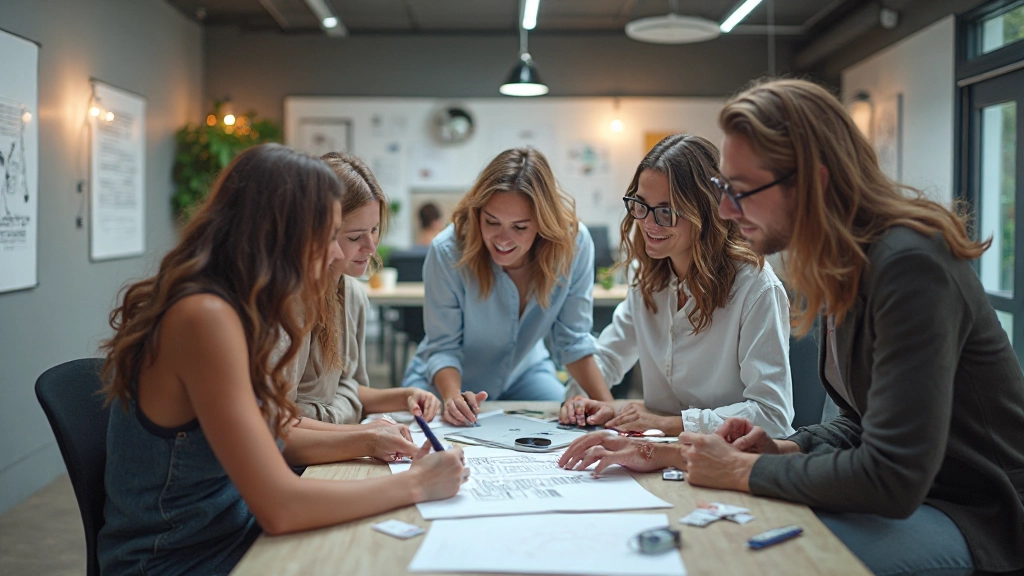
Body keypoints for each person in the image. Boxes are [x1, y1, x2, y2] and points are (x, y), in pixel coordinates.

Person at [564, 79, 1024, 576]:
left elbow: (892, 476)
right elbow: (857, 425)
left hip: (978, 513)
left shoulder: (910, 266)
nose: (724, 210)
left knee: (754, 559)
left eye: (741, 191)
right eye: (724, 190)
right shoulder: (842, 263)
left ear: (812, 183)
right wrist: (782, 447)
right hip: (916, 497)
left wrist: (742, 468)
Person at [97, 144, 467, 576]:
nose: (337, 254)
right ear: (280, 234)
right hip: (178, 557)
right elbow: (280, 507)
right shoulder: (205, 317)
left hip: (228, 531)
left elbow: (272, 424)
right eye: (330, 236)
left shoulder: (235, 306)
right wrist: (418, 483)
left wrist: (372, 441)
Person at [558, 134, 794, 439]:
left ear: (706, 212)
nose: (648, 224)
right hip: (658, 449)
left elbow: (772, 415)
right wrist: (580, 399)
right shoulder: (645, 276)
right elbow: (608, 357)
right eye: (641, 205)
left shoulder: (755, 287)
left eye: (666, 211)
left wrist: (670, 424)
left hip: (726, 455)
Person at [401, 147, 612, 425]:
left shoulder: (574, 245)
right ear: (478, 213)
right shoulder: (447, 250)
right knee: (437, 436)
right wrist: (453, 399)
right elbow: (443, 348)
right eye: (492, 222)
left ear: (543, 223)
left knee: (564, 427)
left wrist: (610, 409)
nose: (502, 239)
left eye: (520, 227)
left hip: (525, 374)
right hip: (446, 380)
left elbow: (573, 340)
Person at [281, 152, 441, 427]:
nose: (371, 247)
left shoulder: (352, 293)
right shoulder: (290, 299)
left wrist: (405, 396)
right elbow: (279, 422)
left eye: (375, 230)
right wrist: (358, 429)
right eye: (355, 237)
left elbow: (349, 388)